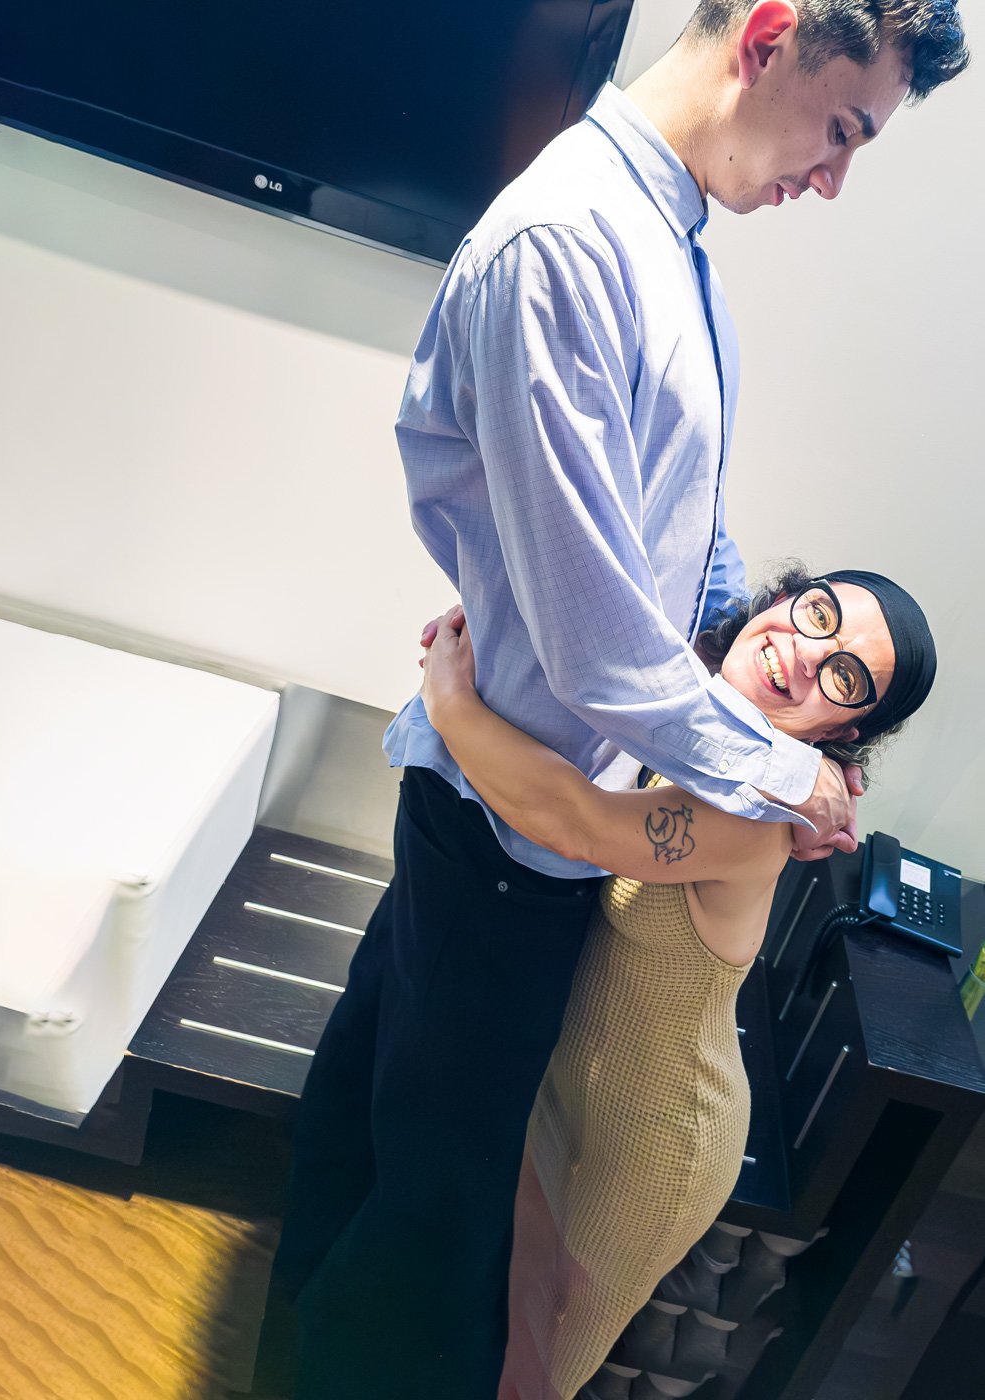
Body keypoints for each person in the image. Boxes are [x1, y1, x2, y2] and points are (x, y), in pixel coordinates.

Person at [274, 6, 968, 1398]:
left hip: (524, 846)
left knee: (387, 1155)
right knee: (431, 1235)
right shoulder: (566, 247)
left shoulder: (669, 245)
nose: (832, 179)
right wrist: (783, 774)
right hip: (496, 843)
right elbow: (600, 661)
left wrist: (739, 705)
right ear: (766, 33)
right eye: (841, 131)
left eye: (840, 679)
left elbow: (684, 539)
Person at [418, 566, 937, 1399]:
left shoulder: (750, 813)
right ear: (781, 598)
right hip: (572, 1088)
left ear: (844, 730)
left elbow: (571, 820)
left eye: (843, 675)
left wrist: (446, 701)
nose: (804, 653)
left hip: (652, 1144)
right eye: (816, 613)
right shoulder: (704, 724)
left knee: (529, 1372)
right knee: (483, 1325)